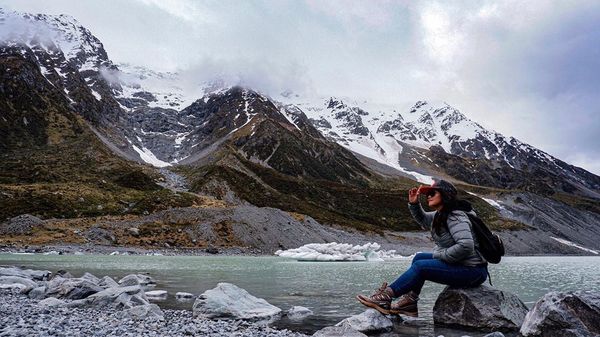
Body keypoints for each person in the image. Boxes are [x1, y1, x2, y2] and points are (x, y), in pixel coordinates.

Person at [356, 179, 488, 317]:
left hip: (473, 271)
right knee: (419, 258)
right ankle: (410, 303)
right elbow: (424, 219)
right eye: (427, 194)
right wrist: (414, 204)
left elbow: (466, 245)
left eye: (432, 193)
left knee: (421, 266)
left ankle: (386, 297)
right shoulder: (442, 214)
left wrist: (441, 254)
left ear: (445, 194)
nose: (428, 196)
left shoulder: (455, 216)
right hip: (464, 265)